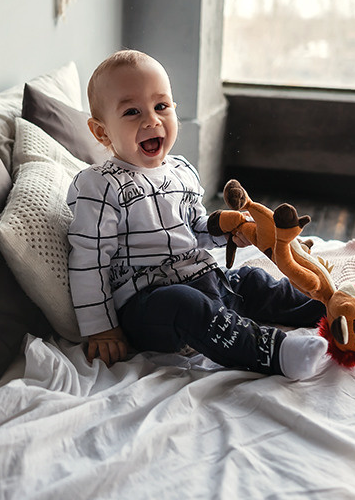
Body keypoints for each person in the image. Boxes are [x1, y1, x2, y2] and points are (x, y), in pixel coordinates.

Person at [66, 49, 335, 379]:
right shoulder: (99, 185)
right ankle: (273, 352)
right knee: (185, 305)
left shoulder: (181, 171)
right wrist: (101, 328)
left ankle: (332, 305)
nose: (152, 120)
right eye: (132, 112)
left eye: (161, 106)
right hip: (149, 304)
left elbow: (195, 230)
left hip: (206, 279)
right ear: (102, 132)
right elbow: (89, 261)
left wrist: (226, 230)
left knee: (252, 282)